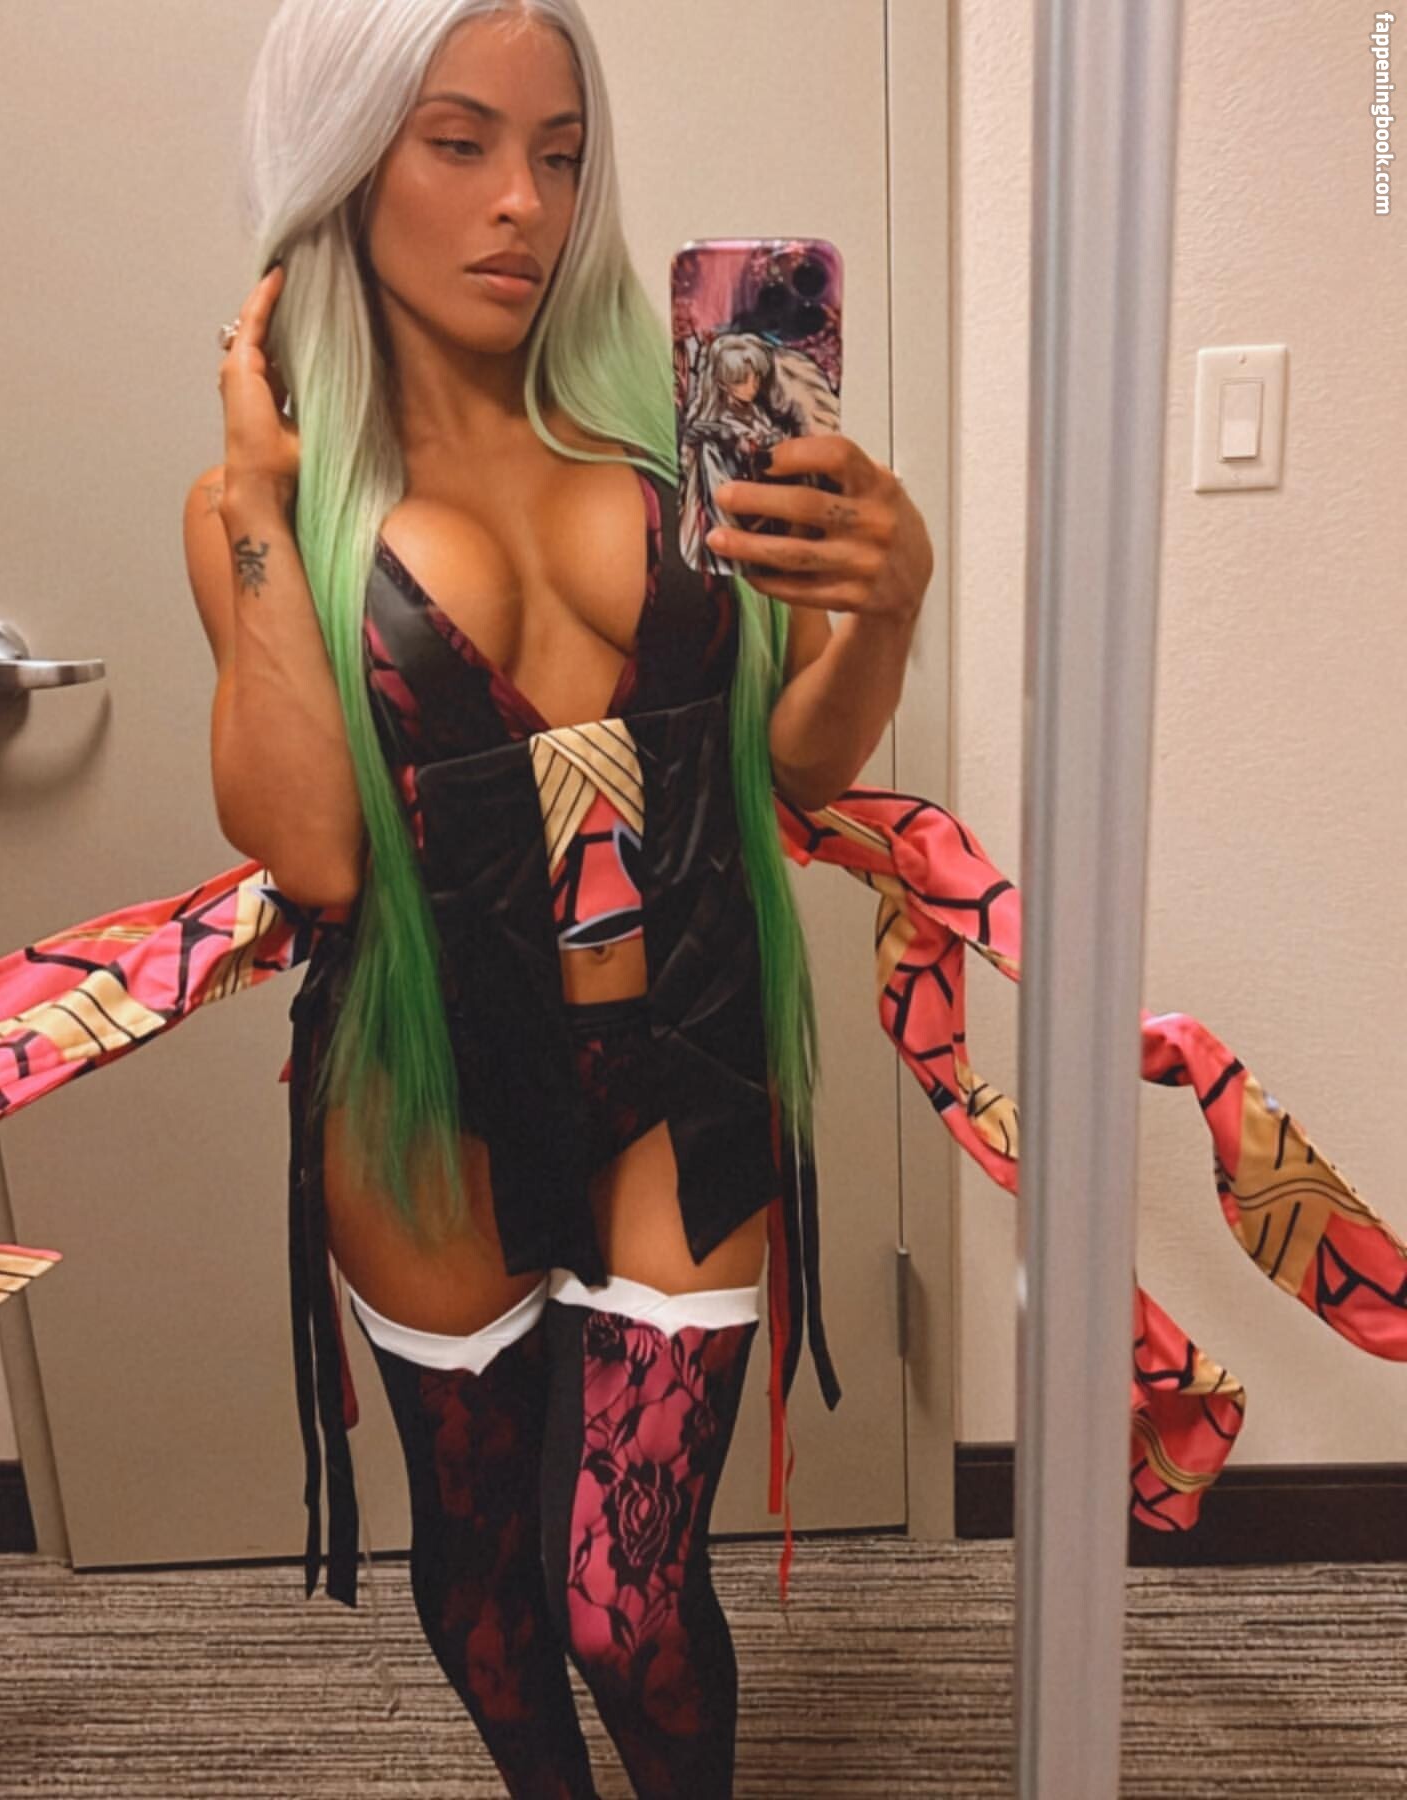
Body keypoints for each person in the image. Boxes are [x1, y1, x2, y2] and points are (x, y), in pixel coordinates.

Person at [185, 1, 931, 1794]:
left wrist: (889, 601)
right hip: (424, 1091)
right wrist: (266, 503)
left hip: (685, 1062)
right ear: (345, 166)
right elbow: (315, 856)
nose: (525, 202)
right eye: (461, 145)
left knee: (628, 1597)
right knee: (488, 1571)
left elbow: (789, 777)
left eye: (563, 153)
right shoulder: (270, 510)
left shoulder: (671, 444)